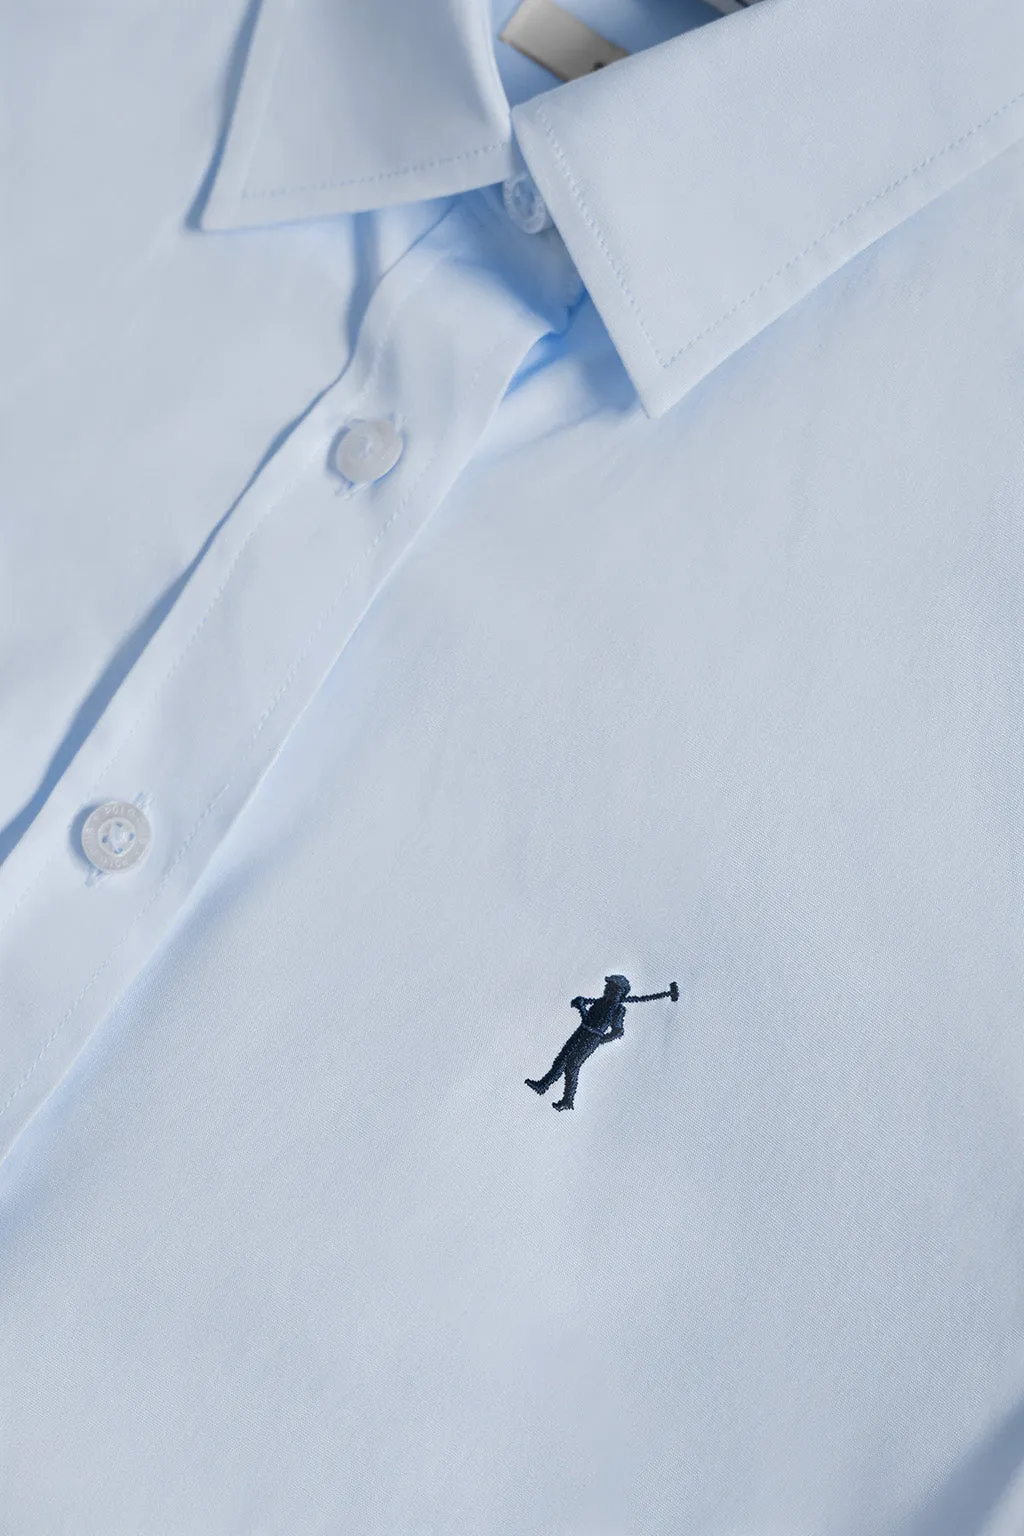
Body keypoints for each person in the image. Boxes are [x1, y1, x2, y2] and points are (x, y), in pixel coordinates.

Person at [526, 975, 631, 1111]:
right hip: (581, 1032)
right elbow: (588, 1020)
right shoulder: (599, 1002)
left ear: (618, 991)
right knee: (561, 1059)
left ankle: (567, 1100)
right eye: (608, 986)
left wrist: (601, 1039)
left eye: (611, 987)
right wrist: (581, 1006)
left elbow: (617, 1031)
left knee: (572, 1066)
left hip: (591, 1039)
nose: (606, 988)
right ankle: (543, 1085)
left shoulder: (618, 1009)